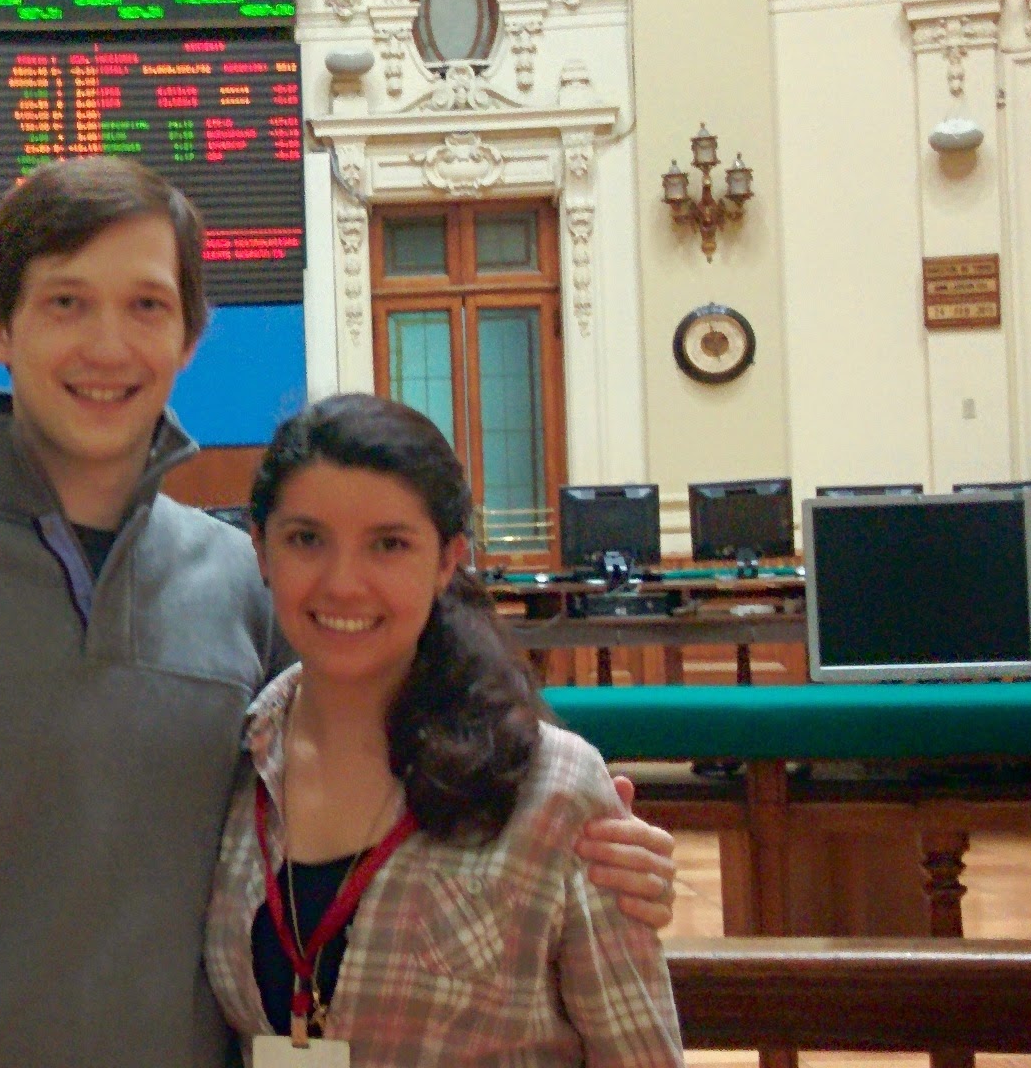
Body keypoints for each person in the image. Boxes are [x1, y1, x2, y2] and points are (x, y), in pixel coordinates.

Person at [0, 156, 678, 1068]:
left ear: (189, 337)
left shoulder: (242, 584)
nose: (107, 345)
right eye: (66, 302)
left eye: (146, 305)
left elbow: (390, 760)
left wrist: (587, 842)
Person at [206, 393, 680, 1066]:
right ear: (260, 549)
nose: (343, 584)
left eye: (389, 545)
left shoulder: (551, 789)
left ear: (446, 560)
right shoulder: (228, 768)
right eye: (306, 539)